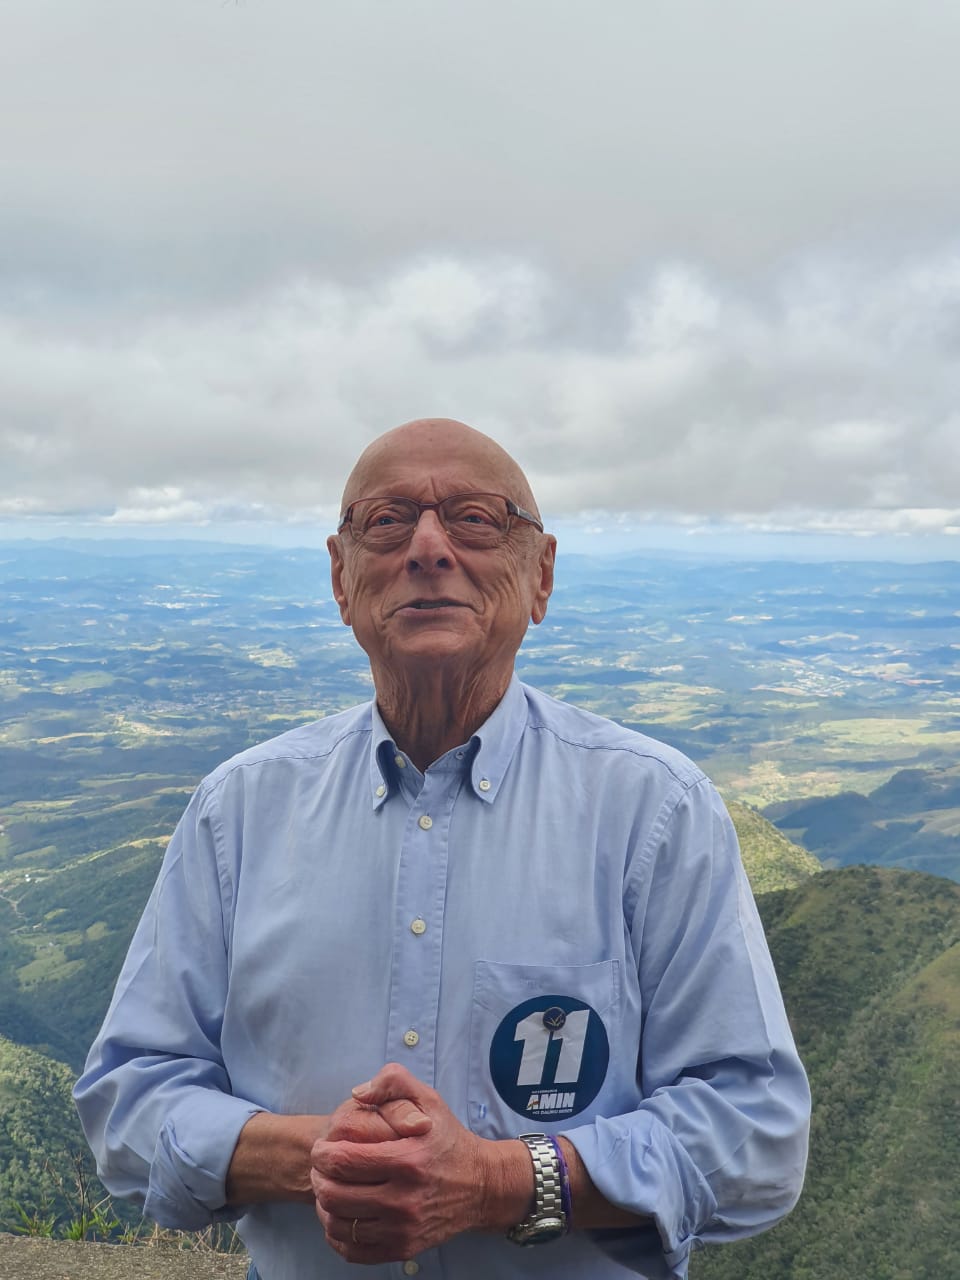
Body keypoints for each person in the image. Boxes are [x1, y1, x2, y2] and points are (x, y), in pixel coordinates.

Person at [75, 418, 810, 1280]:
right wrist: (313, 1157)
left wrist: (501, 1181)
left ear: (541, 575)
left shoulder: (656, 809)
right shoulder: (237, 811)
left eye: (476, 519)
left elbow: (754, 1130)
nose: (428, 547)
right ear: (341, 579)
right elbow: (128, 1097)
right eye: (387, 521)